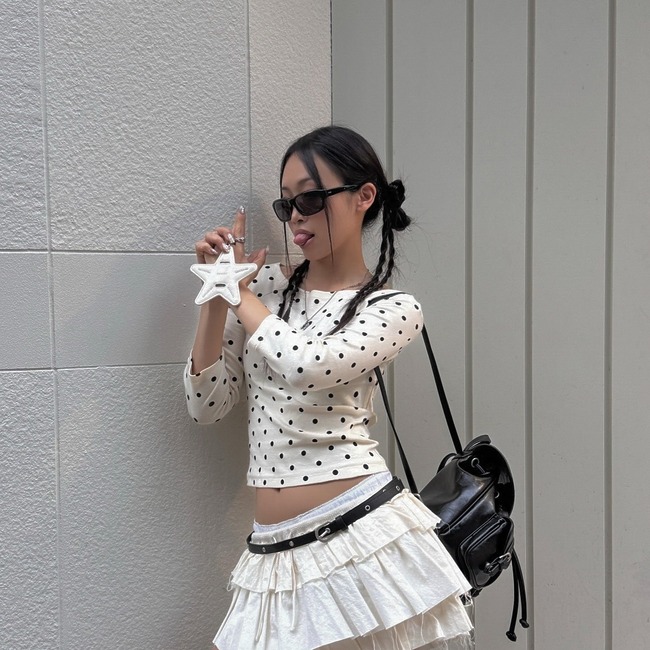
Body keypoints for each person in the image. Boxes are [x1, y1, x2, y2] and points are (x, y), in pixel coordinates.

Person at [185, 125, 473, 650]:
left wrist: (235, 292)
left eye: (311, 199)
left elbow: (308, 365)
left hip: (360, 537)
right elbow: (207, 405)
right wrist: (214, 297)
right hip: (273, 554)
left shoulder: (392, 309)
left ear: (364, 197)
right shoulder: (263, 289)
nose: (297, 216)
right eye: (287, 204)